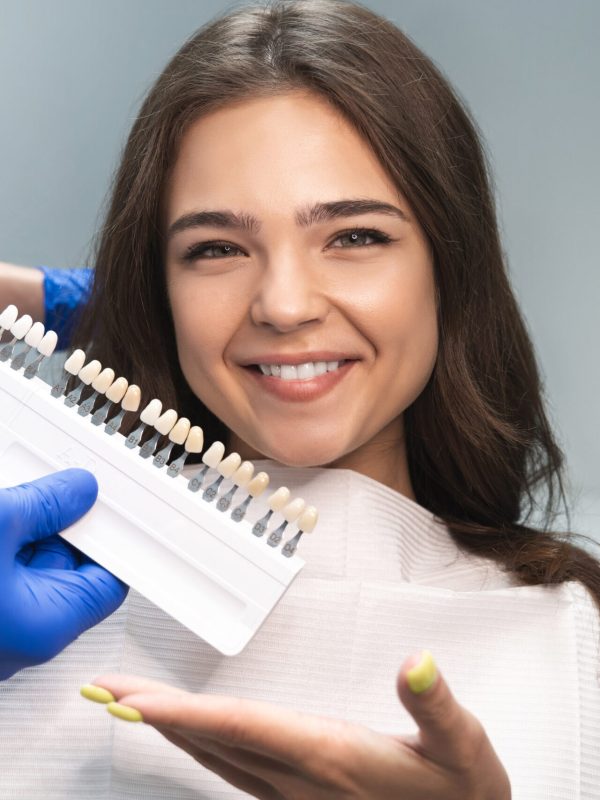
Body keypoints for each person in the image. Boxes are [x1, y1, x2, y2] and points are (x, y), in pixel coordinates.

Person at [1, 1, 599, 797]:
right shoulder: (35, 605)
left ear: (451, 269)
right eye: (215, 249)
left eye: (355, 237)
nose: (283, 305)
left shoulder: (573, 645)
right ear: (160, 288)